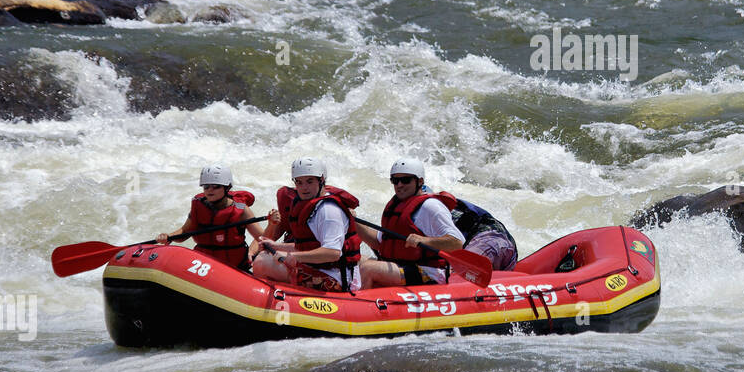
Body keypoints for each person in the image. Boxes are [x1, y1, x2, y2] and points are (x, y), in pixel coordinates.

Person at [357, 159, 519, 289]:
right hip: (427, 259)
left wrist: (424, 241)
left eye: (405, 180)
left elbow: (456, 243)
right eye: (395, 180)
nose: (399, 185)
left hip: (490, 236)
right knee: (363, 263)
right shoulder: (399, 207)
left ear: (420, 183)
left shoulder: (430, 207)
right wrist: (353, 220)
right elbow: (381, 242)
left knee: (459, 274)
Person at [249, 158, 363, 292]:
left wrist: (294, 257)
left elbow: (332, 253)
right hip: (322, 268)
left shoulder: (329, 211)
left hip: (337, 279)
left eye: (309, 181)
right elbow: (309, 246)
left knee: (262, 263)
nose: (304, 188)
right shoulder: (312, 204)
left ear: (321, 180)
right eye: (299, 182)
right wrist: (276, 246)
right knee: (266, 254)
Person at [156, 165, 265, 269]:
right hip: (202, 264)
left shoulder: (242, 210)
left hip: (234, 267)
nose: (209, 190)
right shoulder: (199, 206)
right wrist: (168, 236)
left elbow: (262, 239)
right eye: (206, 186)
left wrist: (251, 252)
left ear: (226, 188)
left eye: (215, 186)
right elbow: (184, 233)